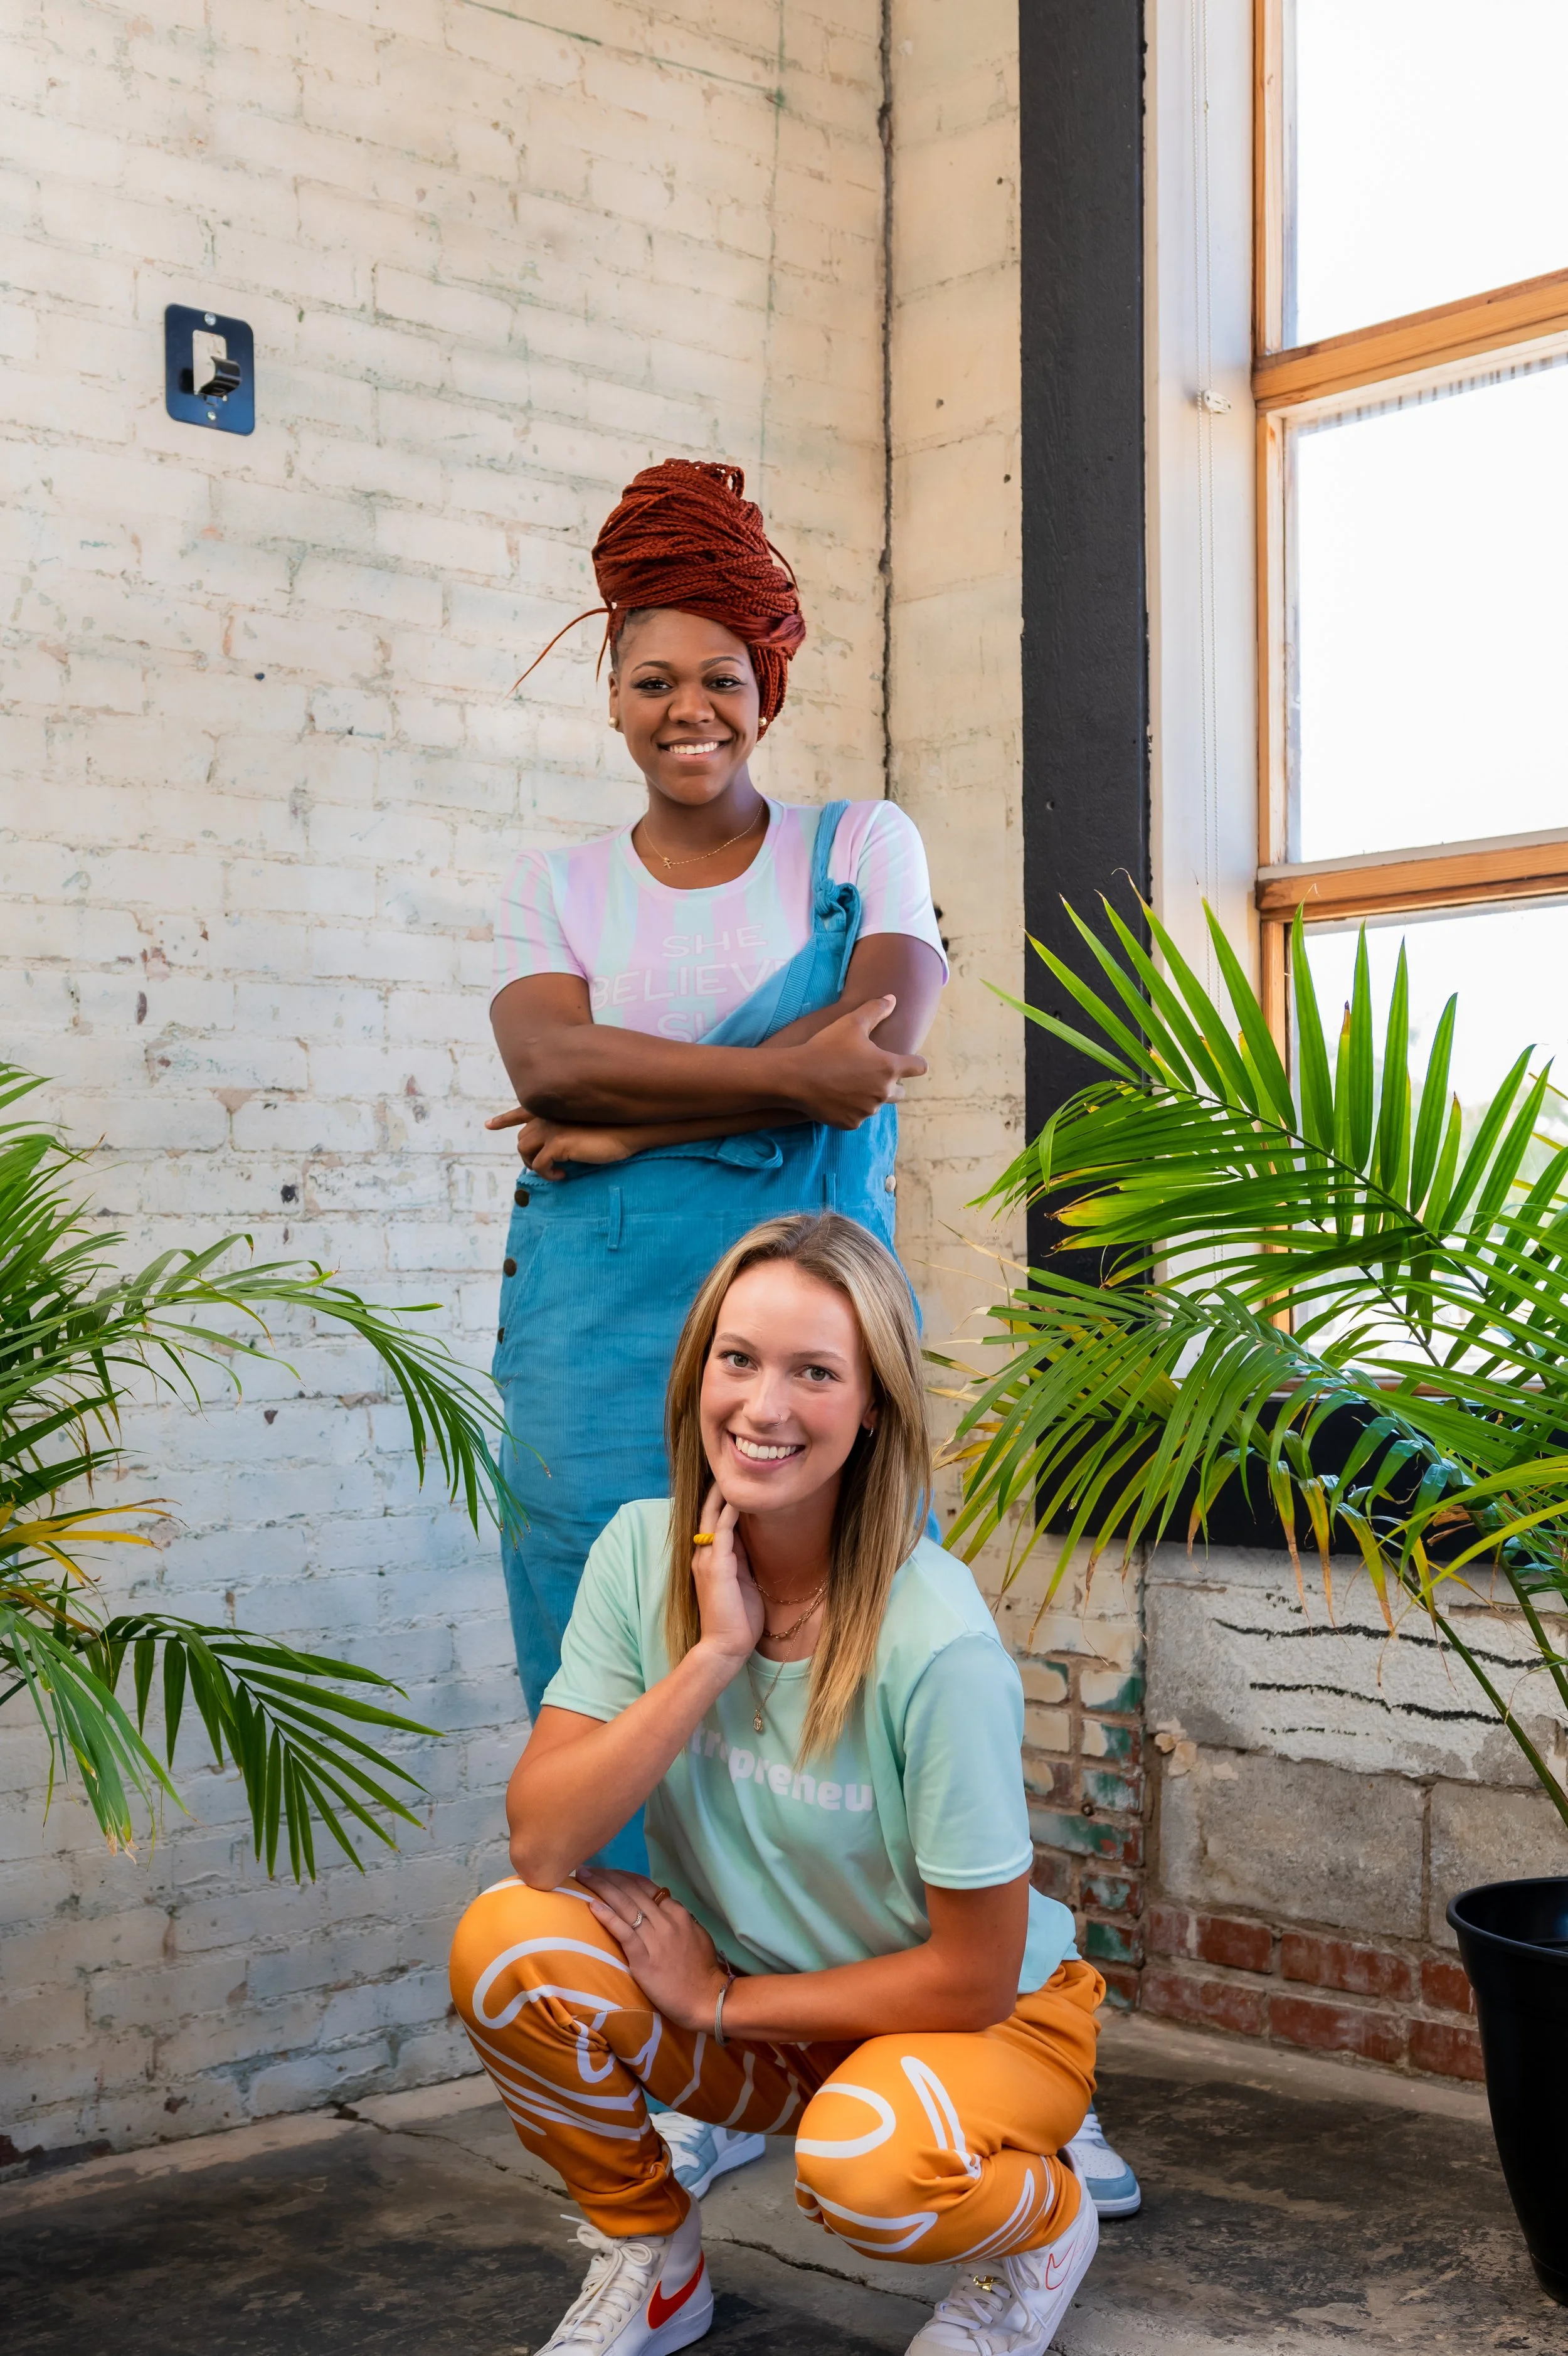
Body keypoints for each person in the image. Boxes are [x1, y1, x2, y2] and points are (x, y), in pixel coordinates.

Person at [450, 1213, 1106, 2356]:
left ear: (872, 1410)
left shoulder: (936, 1640)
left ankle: (1044, 2227)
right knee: (507, 1946)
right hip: (775, 2023)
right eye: (739, 1358)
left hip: (985, 2024)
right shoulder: (638, 1553)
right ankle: (653, 2260)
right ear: (699, 1369)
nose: (763, 1407)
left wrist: (716, 2006)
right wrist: (711, 1658)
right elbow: (543, 1847)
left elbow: (973, 1975)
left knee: (864, 2169)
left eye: (815, 1372)